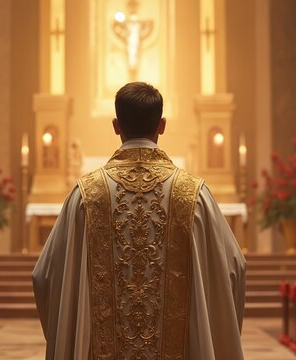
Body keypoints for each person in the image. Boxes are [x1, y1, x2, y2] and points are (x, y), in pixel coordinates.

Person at [33, 82, 246, 359]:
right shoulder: (193, 195)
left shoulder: (87, 195)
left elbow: (44, 277)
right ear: (162, 125)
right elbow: (234, 269)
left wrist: (67, 336)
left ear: (116, 125)